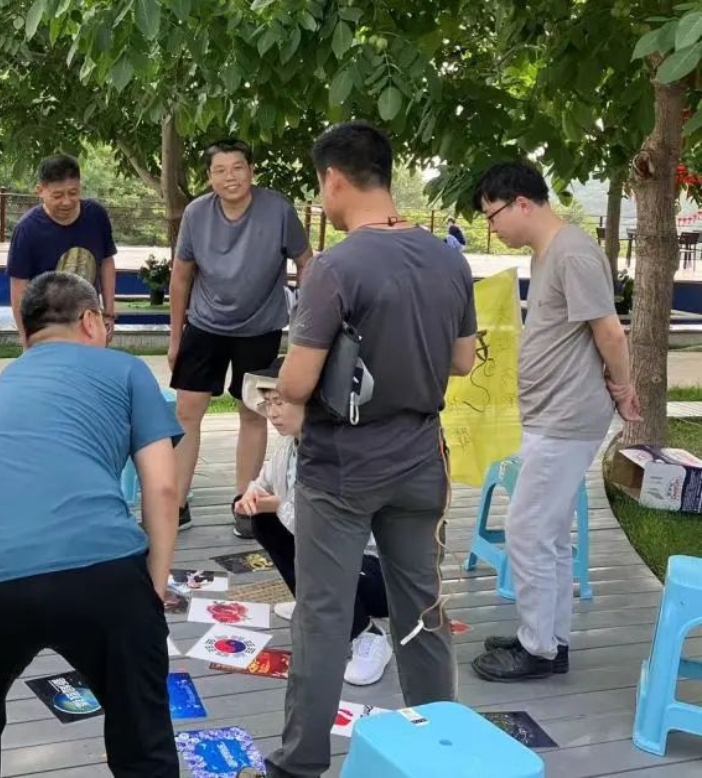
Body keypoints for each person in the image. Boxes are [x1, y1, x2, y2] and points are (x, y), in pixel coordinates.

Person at [243, 122, 477, 778]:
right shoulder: (448, 258)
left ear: (334, 179)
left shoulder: (336, 266)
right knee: (421, 609)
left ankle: (299, 764)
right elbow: (462, 360)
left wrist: (294, 394)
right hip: (421, 456)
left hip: (342, 466)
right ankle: (440, 748)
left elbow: (295, 383)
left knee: (322, 617)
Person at [0, 272, 181, 778]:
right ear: (91, 321)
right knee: (142, 732)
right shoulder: (126, 368)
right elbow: (162, 487)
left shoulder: (3, 383)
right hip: (101, 568)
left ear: (25, 333)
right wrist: (154, 587)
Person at [470, 161, 640, 682]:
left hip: (565, 418)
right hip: (548, 414)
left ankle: (538, 648)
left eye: (493, 215)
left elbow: (610, 333)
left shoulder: (573, 253)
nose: (492, 228)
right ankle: (550, 638)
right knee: (549, 534)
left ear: (522, 203)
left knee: (526, 531)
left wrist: (624, 389)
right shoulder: (548, 253)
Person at [169, 139, 312, 539]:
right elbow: (180, 277)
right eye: (219, 170)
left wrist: (304, 321)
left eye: (237, 168)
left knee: (252, 413)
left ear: (251, 171)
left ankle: (245, 503)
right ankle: (176, 503)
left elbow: (306, 263)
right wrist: (176, 337)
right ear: (209, 177)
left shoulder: (278, 210)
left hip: (260, 327)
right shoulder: (196, 213)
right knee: (186, 412)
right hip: (204, 325)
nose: (229, 177)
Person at [235, 358, 393, 686]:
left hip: (376, 572)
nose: (272, 413)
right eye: (268, 403)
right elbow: (264, 483)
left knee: (316, 546)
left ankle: (367, 634)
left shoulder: (338, 449)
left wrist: (272, 503)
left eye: (280, 402)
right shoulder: (289, 443)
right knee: (264, 522)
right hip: (334, 558)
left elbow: (319, 520)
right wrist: (251, 496)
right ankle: (311, 603)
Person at [6, 154, 117, 345]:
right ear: (40, 191)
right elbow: (19, 291)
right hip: (48, 330)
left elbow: (107, 262)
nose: (66, 202)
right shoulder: (27, 230)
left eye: (73, 193)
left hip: (89, 324)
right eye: (57, 195)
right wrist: (26, 340)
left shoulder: (96, 216)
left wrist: (109, 313)